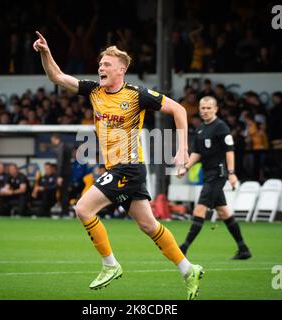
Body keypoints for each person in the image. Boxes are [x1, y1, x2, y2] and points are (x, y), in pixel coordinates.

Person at [34, 32, 204, 299]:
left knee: (83, 208)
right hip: (119, 169)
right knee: (149, 225)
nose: (101, 68)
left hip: (129, 168)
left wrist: (183, 147)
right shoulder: (94, 91)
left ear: (121, 70)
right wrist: (45, 52)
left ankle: (110, 265)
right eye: (100, 64)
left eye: (107, 64)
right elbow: (57, 77)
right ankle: (188, 269)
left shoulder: (137, 95)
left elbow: (180, 110)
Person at [177, 96, 252, 260]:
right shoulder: (201, 129)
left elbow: (229, 150)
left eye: (208, 108)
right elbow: (197, 153)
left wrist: (231, 173)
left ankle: (182, 248)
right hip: (209, 174)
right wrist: (186, 167)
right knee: (224, 212)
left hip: (217, 174)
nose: (205, 111)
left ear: (216, 109)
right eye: (202, 108)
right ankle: (243, 249)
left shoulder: (221, 127)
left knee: (199, 210)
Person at [50, 133, 72, 217]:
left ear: (56, 139)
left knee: (64, 194)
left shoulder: (61, 147)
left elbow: (60, 163)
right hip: (67, 173)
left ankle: (64, 212)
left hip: (63, 175)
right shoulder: (66, 146)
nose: (52, 142)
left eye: (52, 141)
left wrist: (59, 176)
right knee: (64, 193)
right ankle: (64, 211)